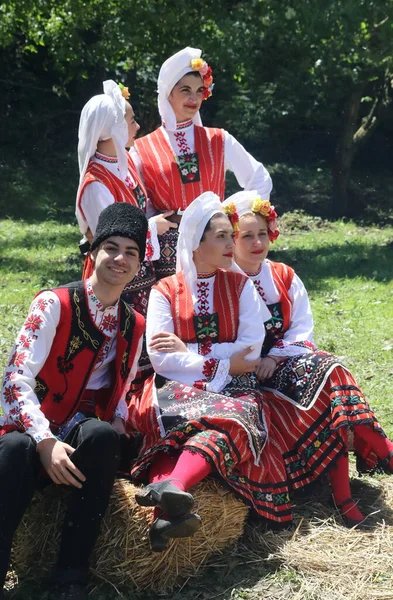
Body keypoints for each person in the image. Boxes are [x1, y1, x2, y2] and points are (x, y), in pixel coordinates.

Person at [127, 191, 303, 552]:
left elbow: (252, 347)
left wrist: (189, 351)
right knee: (185, 425)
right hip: (175, 385)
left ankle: (170, 491)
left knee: (237, 420)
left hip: (234, 386)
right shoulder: (166, 290)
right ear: (196, 243)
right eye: (221, 236)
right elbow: (162, 359)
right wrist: (221, 362)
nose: (231, 244)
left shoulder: (240, 285)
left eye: (229, 235)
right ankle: (169, 499)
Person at [0, 203, 148, 600]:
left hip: (77, 429)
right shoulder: (55, 304)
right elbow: (14, 378)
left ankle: (69, 578)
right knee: (14, 449)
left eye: (131, 252)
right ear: (93, 252)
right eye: (111, 247)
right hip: (29, 426)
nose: (120, 258)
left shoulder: (135, 324)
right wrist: (44, 440)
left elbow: (120, 393)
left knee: (102, 437)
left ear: (139, 265)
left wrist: (125, 428)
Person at [223, 190, 393, 527]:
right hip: (245, 375)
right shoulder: (224, 282)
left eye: (262, 233)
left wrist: (277, 355)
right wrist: (261, 360)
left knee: (330, 376)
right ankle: (381, 454)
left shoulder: (284, 275)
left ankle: (346, 494)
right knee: (329, 373)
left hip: (289, 362)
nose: (257, 242)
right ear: (232, 238)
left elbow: (302, 329)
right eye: (247, 236)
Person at [132, 46, 273, 279]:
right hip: (169, 248)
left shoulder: (218, 139)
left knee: (223, 305)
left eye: (199, 91)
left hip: (216, 241)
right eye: (185, 90)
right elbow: (136, 201)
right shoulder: (142, 148)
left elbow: (259, 178)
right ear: (168, 93)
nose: (193, 98)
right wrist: (150, 223)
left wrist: (232, 214)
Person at [76, 80, 173, 390]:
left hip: (142, 272)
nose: (137, 125)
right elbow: (111, 241)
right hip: (115, 278)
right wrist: (152, 228)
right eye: (130, 120)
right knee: (118, 351)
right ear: (110, 130)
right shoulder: (95, 184)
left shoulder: (125, 164)